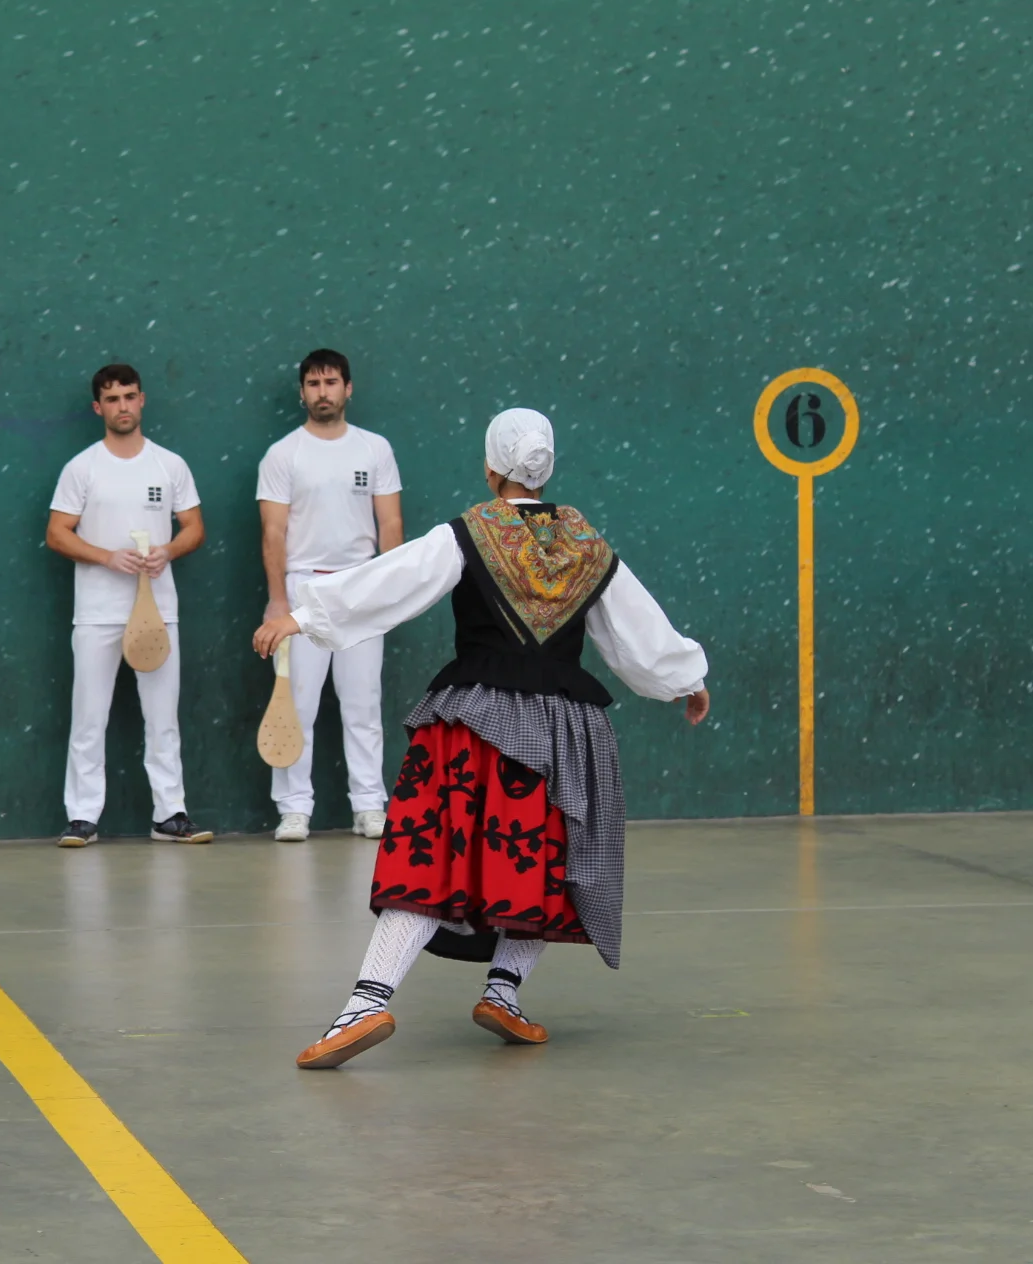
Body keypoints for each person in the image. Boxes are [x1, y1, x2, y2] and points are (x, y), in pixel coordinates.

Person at [253, 408, 709, 1070]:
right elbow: (634, 627)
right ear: (546, 467)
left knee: (431, 855)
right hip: (563, 730)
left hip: (476, 721)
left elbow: (394, 581)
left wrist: (303, 616)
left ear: (492, 467)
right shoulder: (587, 544)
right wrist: (686, 680)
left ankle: (367, 1002)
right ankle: (503, 991)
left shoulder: (468, 533)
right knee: (546, 860)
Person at [47, 363, 212, 847]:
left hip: (158, 613)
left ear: (142, 401)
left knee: (163, 718)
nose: (122, 406)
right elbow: (56, 533)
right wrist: (107, 557)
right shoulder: (81, 468)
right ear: (98, 408)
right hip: (96, 613)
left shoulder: (170, 465)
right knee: (88, 717)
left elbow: (194, 528)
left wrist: (168, 551)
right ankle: (82, 816)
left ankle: (170, 814)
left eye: (129, 396)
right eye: (112, 399)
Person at [256, 349, 404, 842]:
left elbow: (390, 524)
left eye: (332, 382)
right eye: (314, 384)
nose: (323, 392)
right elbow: (273, 532)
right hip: (303, 589)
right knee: (296, 706)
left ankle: (369, 805)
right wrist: (278, 600)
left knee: (363, 705)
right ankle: (294, 809)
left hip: (362, 588)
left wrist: (389, 591)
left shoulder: (375, 449)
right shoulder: (283, 454)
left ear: (348, 388)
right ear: (302, 393)